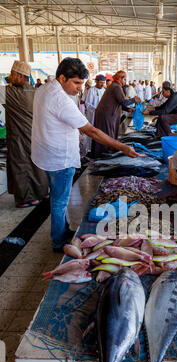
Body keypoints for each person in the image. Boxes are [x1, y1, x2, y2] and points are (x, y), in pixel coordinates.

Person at [31, 58, 139, 251]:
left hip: (45, 154)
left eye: (81, 83)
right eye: (76, 83)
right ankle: (59, 241)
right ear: (62, 78)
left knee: (57, 198)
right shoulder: (61, 99)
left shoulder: (43, 89)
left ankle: (62, 231)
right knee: (59, 201)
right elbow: (92, 131)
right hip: (59, 158)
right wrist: (122, 147)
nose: (80, 88)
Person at [0, 60, 48, 208]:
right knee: (37, 165)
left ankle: (26, 198)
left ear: (21, 76)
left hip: (19, 137)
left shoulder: (10, 93)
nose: (10, 77)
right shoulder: (36, 92)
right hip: (36, 135)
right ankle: (42, 192)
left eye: (13, 74)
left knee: (21, 166)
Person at [92, 70, 140, 157]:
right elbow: (123, 101)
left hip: (107, 114)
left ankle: (104, 153)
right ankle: (103, 156)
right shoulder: (116, 87)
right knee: (106, 135)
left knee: (107, 133)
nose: (125, 81)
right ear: (120, 78)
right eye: (124, 79)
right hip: (106, 115)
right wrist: (134, 100)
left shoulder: (115, 86)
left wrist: (128, 109)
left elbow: (119, 103)